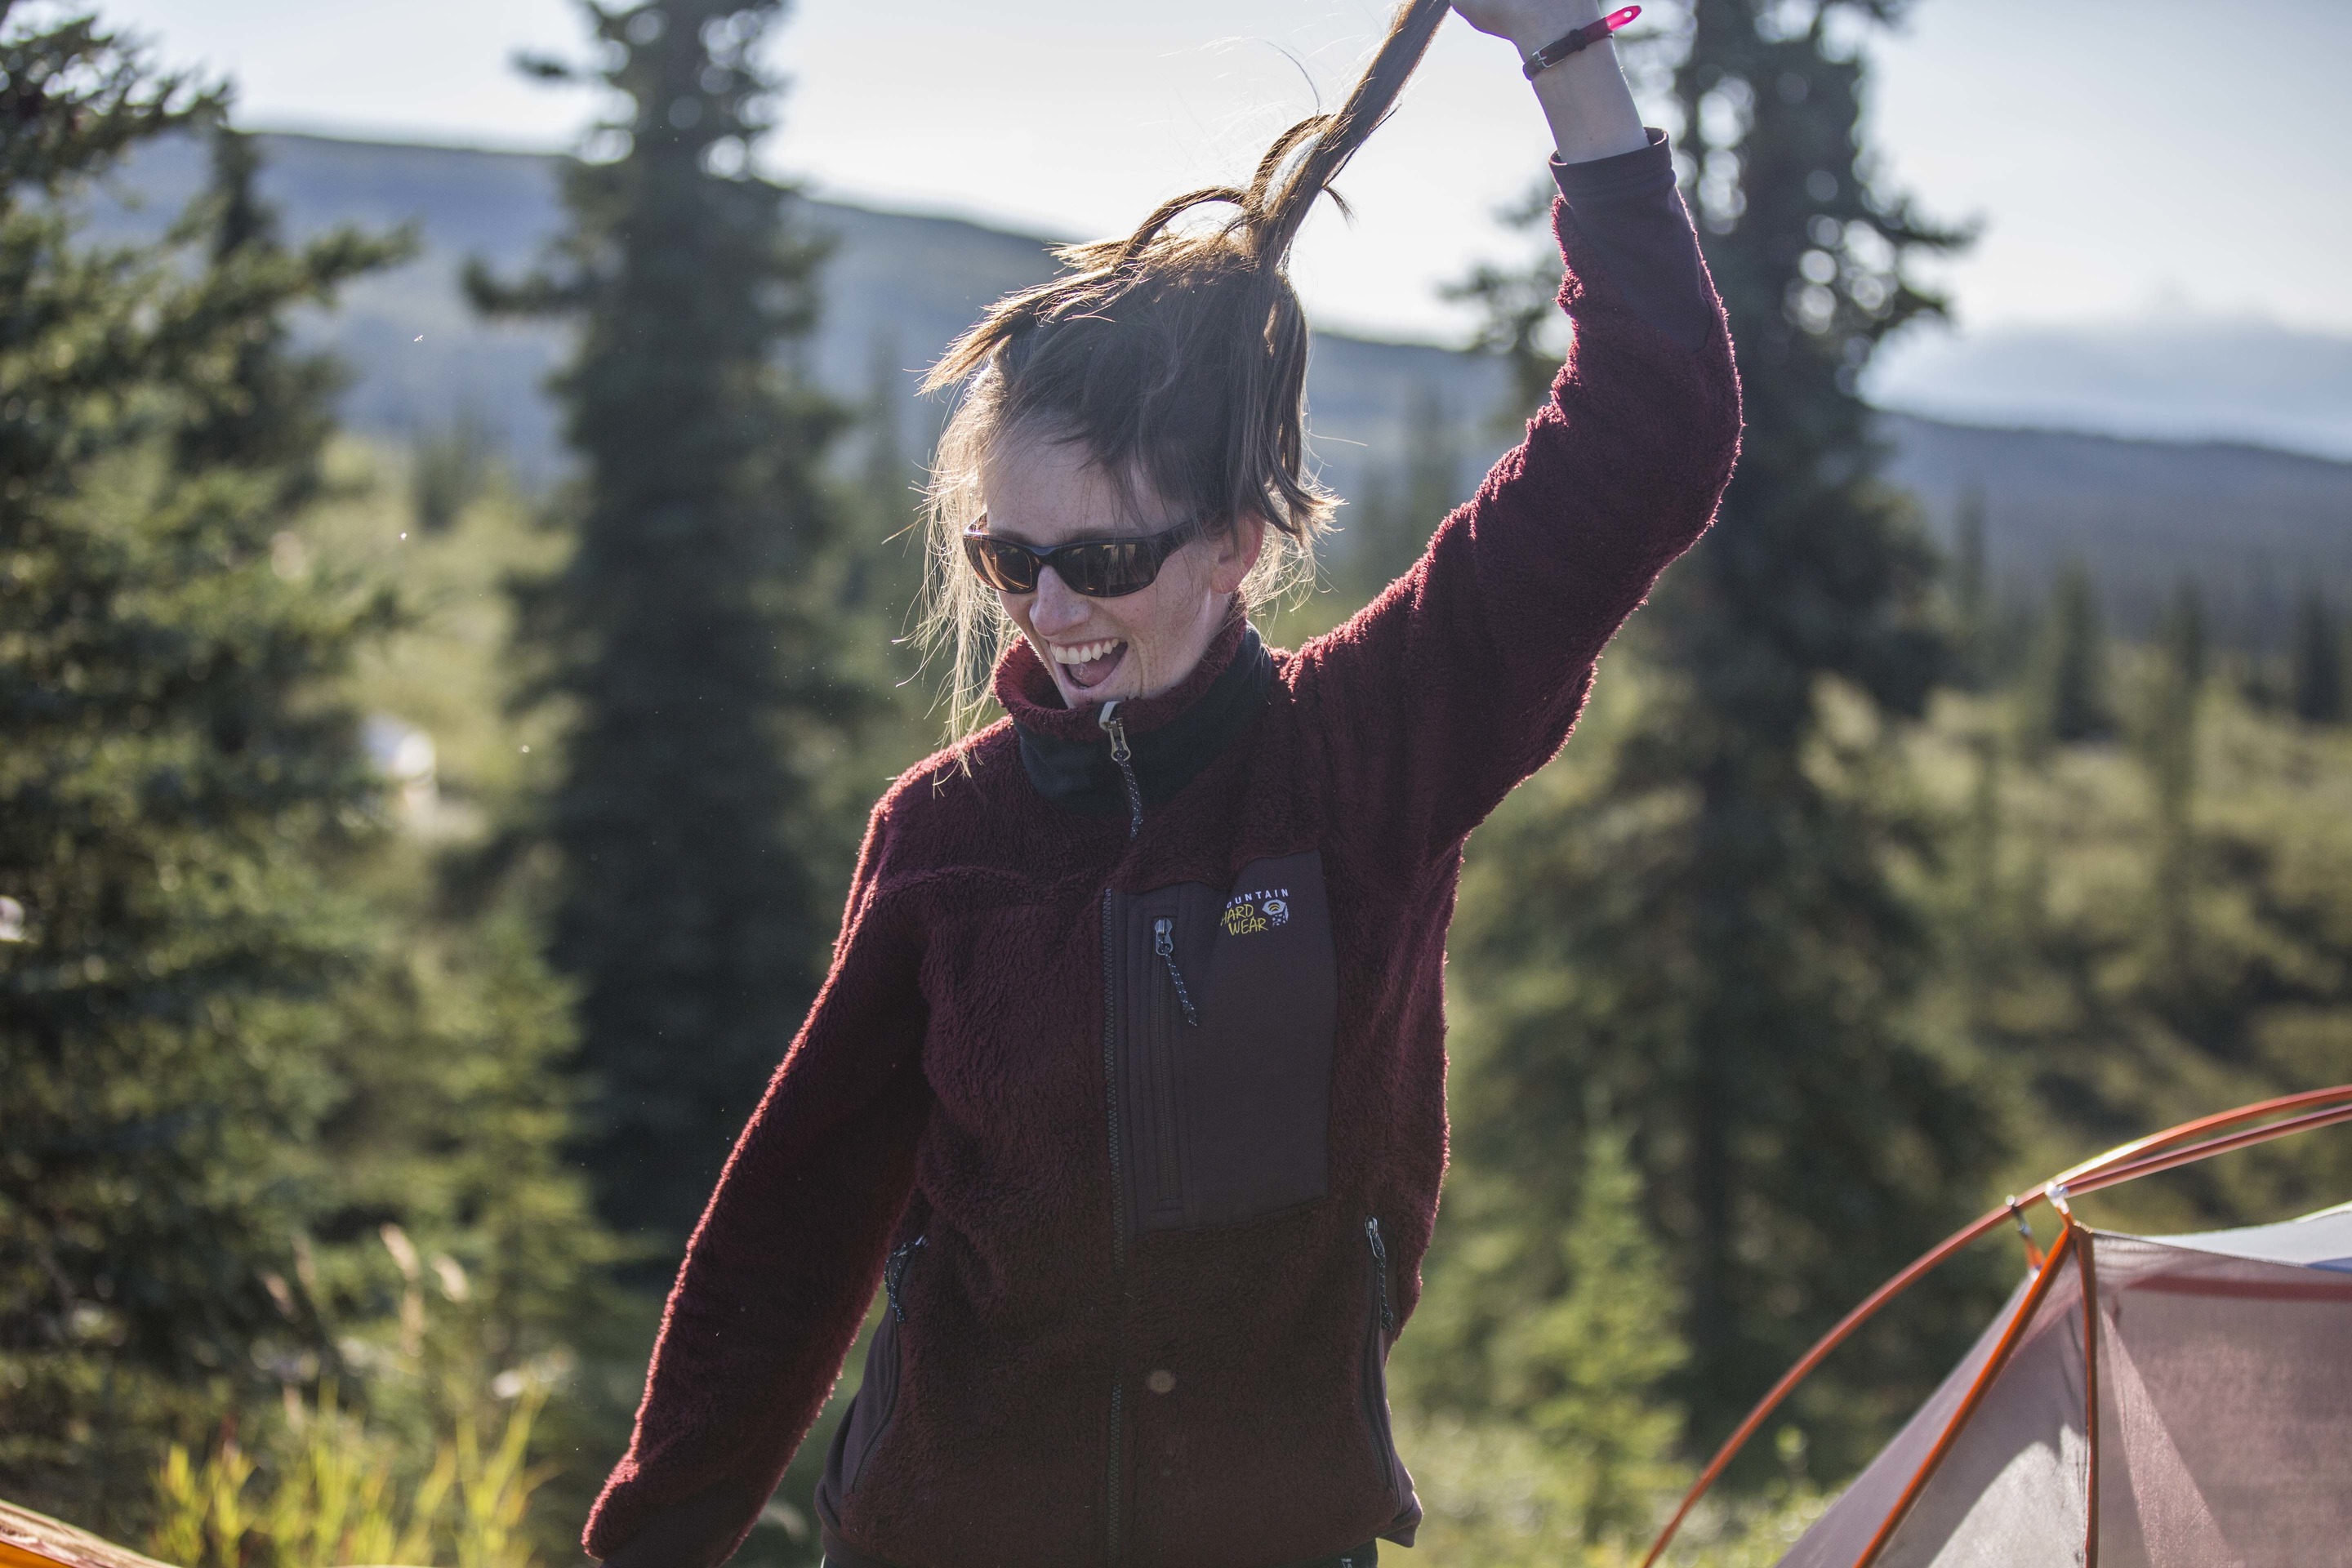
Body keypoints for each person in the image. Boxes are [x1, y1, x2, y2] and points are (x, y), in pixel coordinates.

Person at [585, 0, 1740, 1563]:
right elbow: (793, 1229)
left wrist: (1562, 54)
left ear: (1237, 544)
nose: (1051, 611)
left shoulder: (1370, 756)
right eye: (1011, 558)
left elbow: (1653, 430)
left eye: (1105, 558)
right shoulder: (943, 843)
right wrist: (650, 1539)